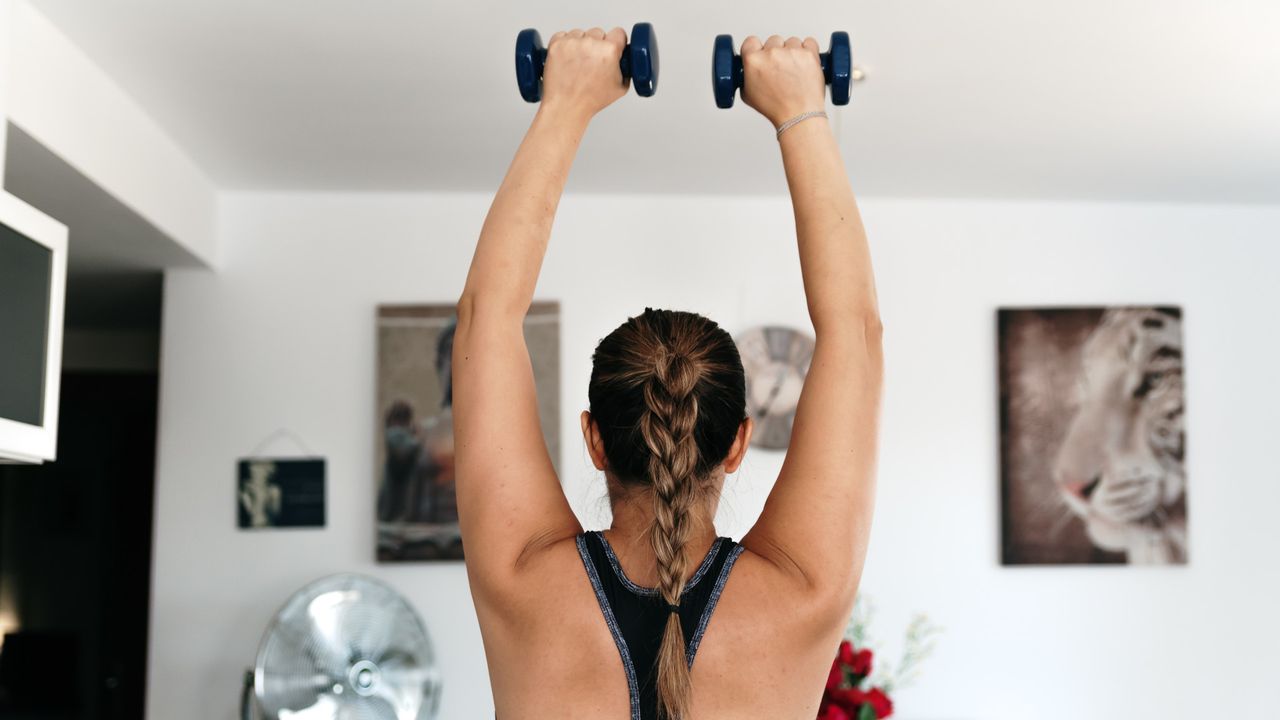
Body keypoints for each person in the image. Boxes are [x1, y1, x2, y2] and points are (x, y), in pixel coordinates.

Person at [453, 28, 882, 720]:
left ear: (595, 440)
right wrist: (801, 112)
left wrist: (566, 103)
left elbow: (486, 318)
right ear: (737, 442)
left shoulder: (523, 582)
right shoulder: (800, 596)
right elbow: (856, 334)